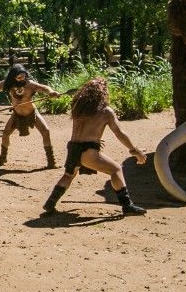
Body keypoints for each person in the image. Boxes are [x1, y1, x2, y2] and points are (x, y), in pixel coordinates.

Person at [42, 77, 147, 216]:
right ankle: (127, 205)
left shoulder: (77, 108)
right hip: (88, 150)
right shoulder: (105, 111)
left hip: (73, 148)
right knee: (116, 169)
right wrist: (135, 151)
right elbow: (120, 133)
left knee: (68, 175)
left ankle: (50, 203)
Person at [0, 63, 57, 169]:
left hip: (32, 113)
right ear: (13, 77)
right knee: (5, 135)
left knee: (46, 131)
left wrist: (51, 92)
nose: (22, 78)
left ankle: (51, 161)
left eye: (24, 76)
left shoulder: (30, 84)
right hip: (16, 114)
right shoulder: (7, 84)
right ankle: (3, 158)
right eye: (19, 77)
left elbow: (44, 88)